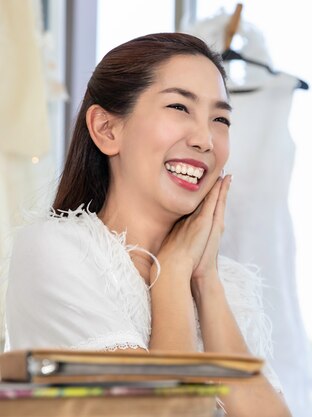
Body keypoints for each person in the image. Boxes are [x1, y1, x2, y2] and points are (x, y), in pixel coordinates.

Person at [3, 32, 291, 417]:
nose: (206, 139)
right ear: (107, 129)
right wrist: (170, 278)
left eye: (220, 118)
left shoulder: (227, 287)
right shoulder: (57, 253)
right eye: (179, 107)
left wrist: (205, 282)